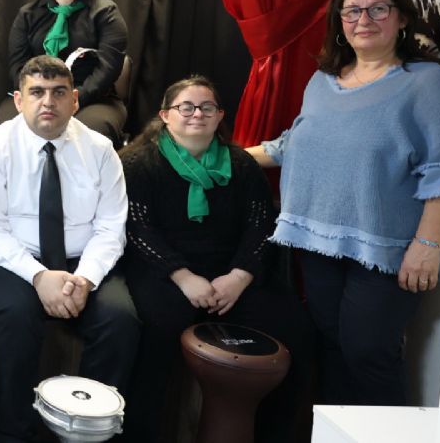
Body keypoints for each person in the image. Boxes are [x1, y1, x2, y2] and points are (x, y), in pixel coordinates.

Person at [248, 0, 440, 406]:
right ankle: (336, 433)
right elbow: (292, 145)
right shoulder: (322, 81)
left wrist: (427, 246)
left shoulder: (428, 83)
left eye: (377, 9)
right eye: (352, 11)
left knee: (369, 353)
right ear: (340, 23)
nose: (363, 19)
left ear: (400, 18)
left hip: (389, 249)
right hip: (318, 241)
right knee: (331, 345)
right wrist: (218, 154)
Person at [119, 76, 311, 443]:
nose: (197, 114)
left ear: (220, 115)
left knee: (296, 331)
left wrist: (239, 276)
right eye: (186, 107)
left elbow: (261, 226)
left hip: (232, 276)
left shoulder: (241, 165)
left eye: (207, 107)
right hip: (165, 274)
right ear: (165, 115)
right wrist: (182, 276)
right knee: (155, 332)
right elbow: (137, 228)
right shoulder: (137, 164)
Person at [0, 55, 139, 443]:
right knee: (13, 319)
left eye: (58, 93)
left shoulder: (101, 150)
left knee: (121, 321)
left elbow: (111, 227)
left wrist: (85, 279)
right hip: (19, 260)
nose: (48, 102)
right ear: (19, 101)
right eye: (37, 92)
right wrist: (38, 276)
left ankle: (89, 432)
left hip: (84, 261)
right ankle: (11, 433)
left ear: (75, 100)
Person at [0, 0, 128, 142]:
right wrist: (36, 96)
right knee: (5, 129)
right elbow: (17, 66)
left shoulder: (106, 13)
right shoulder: (27, 14)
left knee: (91, 134)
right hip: (36, 94)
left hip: (92, 98)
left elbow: (108, 68)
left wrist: (73, 99)